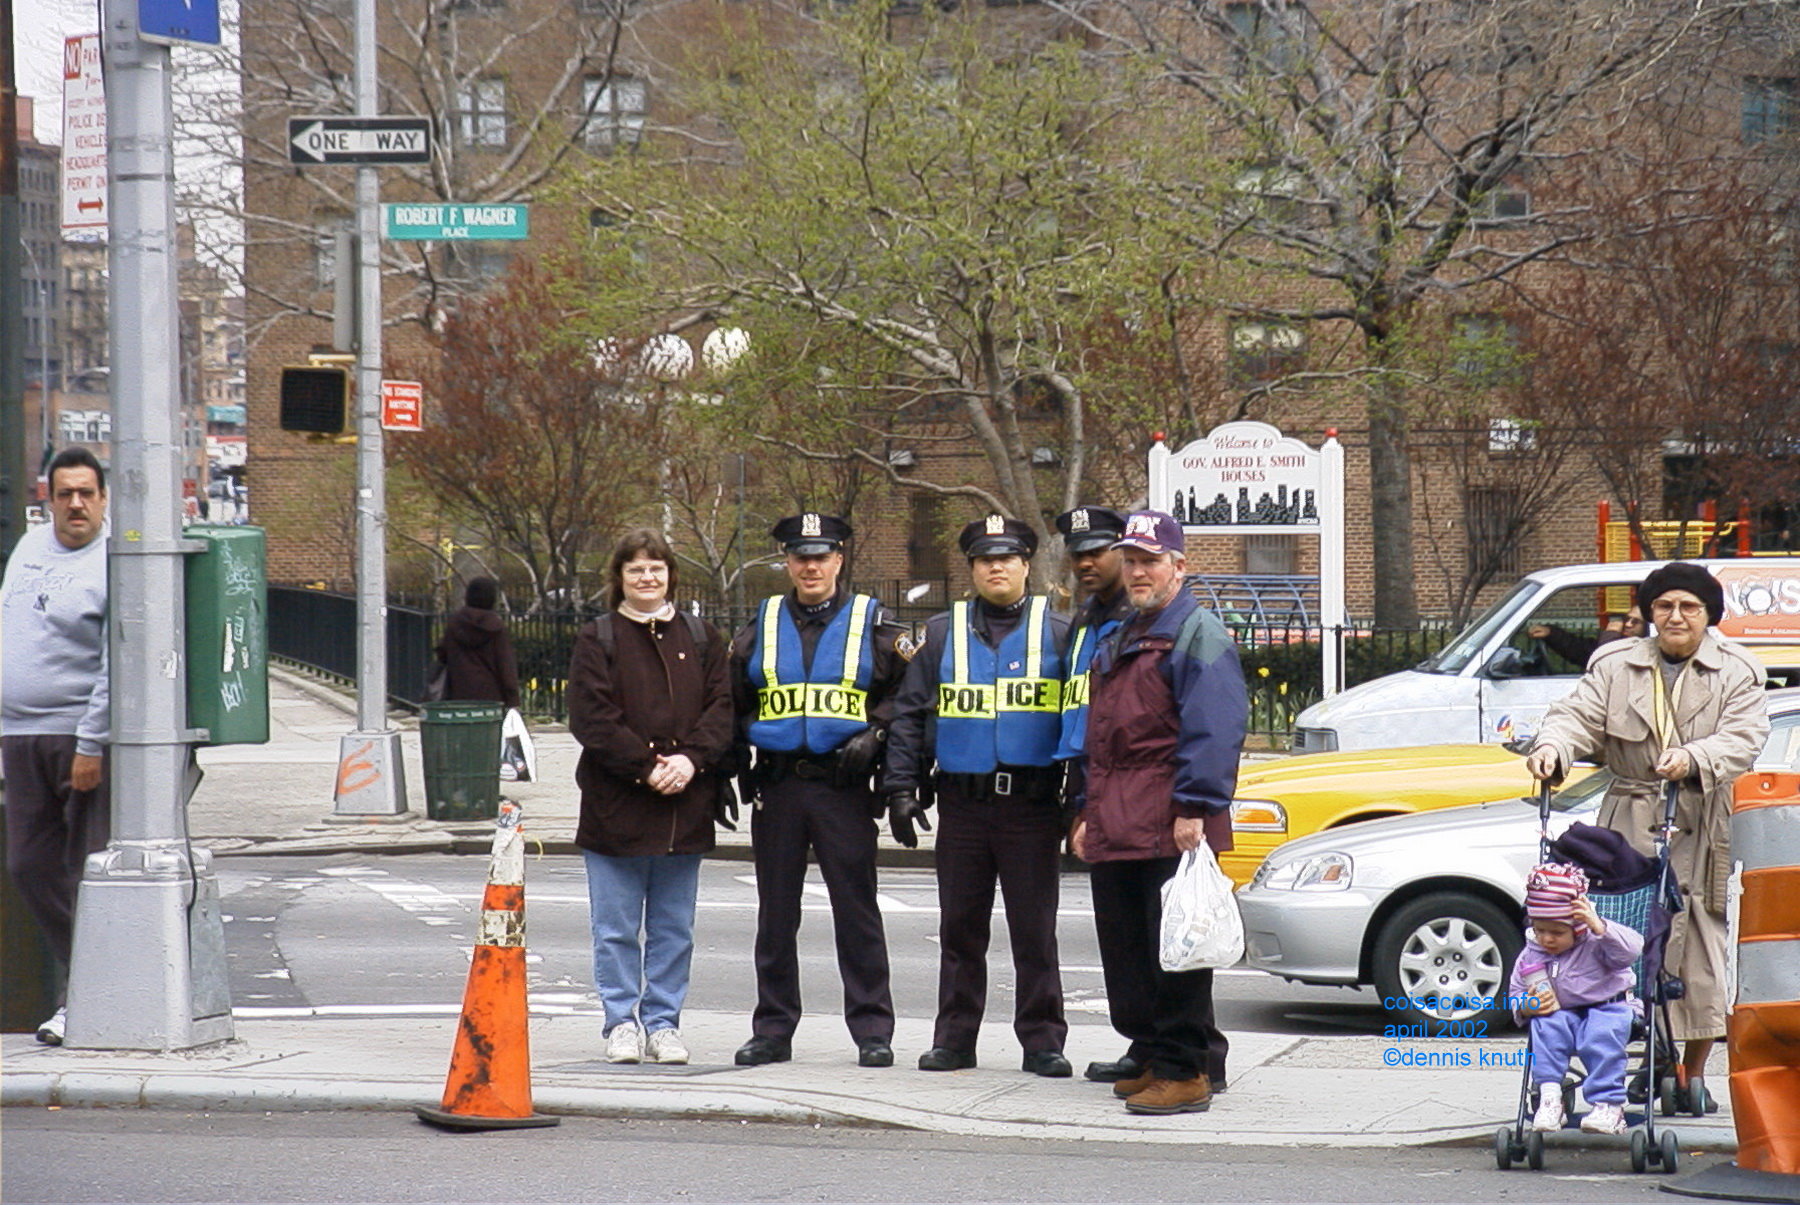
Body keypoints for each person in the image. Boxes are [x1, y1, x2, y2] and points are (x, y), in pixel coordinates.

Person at [1527, 562, 1768, 1112]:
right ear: (1650, 612)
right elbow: (1574, 716)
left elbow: (1745, 737)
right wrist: (1553, 747)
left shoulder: (1737, 670)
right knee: (1614, 943)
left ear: (1708, 615)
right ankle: (1626, 1063)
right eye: (1665, 606)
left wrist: (1694, 757)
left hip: (1705, 826)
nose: (1676, 617)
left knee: (1701, 953)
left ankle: (1690, 1073)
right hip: (1629, 822)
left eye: (1689, 607)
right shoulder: (1616, 665)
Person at [1070, 510, 1248, 1115]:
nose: (1139, 571)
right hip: (1121, 814)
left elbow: (1216, 729)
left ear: (1178, 566)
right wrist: (1088, 809)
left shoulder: (1197, 633)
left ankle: (1185, 1071)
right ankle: (1154, 1053)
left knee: (1175, 951)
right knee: (1132, 949)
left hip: (1169, 818)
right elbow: (1104, 735)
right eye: (1133, 560)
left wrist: (1194, 807)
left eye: (1151, 561)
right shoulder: (1128, 630)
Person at [885, 515, 1073, 1076]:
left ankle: (1043, 1041)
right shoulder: (941, 633)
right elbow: (911, 716)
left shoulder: (1059, 633)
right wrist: (900, 788)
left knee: (1034, 931)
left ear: (1025, 566)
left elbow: (1081, 718)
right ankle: (955, 1039)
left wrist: (1080, 799)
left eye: (1007, 558)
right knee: (960, 929)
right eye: (985, 559)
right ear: (971, 568)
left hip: (1032, 805)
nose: (996, 567)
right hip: (963, 805)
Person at [730, 513, 915, 1068]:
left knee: (856, 911)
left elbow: (911, 689)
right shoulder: (759, 625)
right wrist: (730, 762)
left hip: (844, 787)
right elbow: (732, 699)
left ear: (839, 560)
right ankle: (773, 1029)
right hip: (780, 785)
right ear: (787, 562)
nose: (810, 566)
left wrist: (877, 730)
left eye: (821, 556)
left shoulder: (874, 622)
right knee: (776, 915)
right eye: (800, 556)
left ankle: (872, 1029)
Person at [566, 531, 734, 1065]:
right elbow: (591, 719)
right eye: (636, 569)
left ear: (671, 576)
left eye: (656, 569)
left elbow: (722, 709)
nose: (647, 578)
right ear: (619, 577)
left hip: (684, 808)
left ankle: (663, 1023)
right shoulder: (598, 638)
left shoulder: (704, 636)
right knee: (615, 929)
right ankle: (621, 1022)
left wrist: (690, 761)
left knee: (673, 930)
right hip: (616, 808)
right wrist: (647, 768)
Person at [1, 448, 111, 1046]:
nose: (75, 504)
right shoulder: (28, 549)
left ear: (102, 498)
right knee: (27, 865)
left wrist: (92, 741)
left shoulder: (116, 559)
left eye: (86, 493)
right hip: (18, 737)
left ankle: (83, 998)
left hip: (77, 737)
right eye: (64, 494)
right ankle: (99, 977)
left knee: (83, 872)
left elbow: (119, 661)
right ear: (48, 499)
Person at [1049, 505, 1144, 1085]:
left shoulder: (1140, 616)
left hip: (1134, 787)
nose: (1087, 561)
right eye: (1078, 553)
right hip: (1093, 782)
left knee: (1155, 929)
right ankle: (1143, 1042)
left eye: (1099, 551)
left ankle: (1189, 1052)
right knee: (1120, 933)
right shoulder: (1085, 618)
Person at [1509, 863, 1644, 1135]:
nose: (1547, 938)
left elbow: (1632, 950)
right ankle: (1549, 1097)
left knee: (1600, 1032)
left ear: (1578, 927)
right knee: (1545, 1025)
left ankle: (1608, 1104)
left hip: (1610, 1006)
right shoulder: (1531, 953)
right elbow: (1515, 992)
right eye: (1540, 930)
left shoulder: (1597, 941)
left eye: (1557, 933)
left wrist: (1600, 927)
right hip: (1563, 1012)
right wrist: (1526, 1005)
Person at [434, 576, 521, 711]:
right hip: (491, 696)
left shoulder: (454, 623)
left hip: (457, 691)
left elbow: (442, 654)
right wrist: (512, 698)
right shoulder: (496, 627)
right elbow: (505, 664)